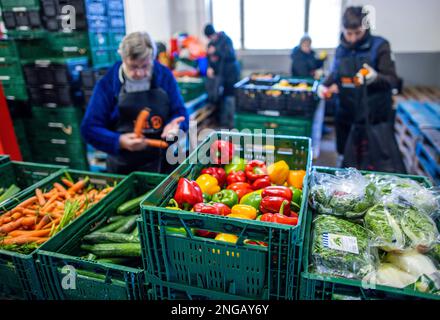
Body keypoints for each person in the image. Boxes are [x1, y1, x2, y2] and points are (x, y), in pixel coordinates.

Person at [81, 32, 189, 174]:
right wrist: (118, 141)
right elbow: (89, 128)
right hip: (124, 167)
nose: (139, 73)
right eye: (132, 67)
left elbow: (181, 113)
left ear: (152, 58)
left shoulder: (164, 76)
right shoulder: (108, 84)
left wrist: (176, 125)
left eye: (145, 66)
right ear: (123, 58)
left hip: (163, 163)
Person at [318, 6, 400, 166]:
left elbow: (392, 80)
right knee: (346, 157)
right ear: (343, 29)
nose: (353, 39)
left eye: (358, 33)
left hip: (373, 117)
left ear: (366, 28)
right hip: (346, 114)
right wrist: (323, 85)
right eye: (349, 34)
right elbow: (335, 73)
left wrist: (375, 77)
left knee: (370, 161)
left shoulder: (380, 46)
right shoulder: (341, 49)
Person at [203, 24, 240, 128]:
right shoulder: (211, 44)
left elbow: (230, 55)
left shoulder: (226, 40)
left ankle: (232, 124)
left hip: (230, 74)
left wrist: (216, 51)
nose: (210, 39)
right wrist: (209, 67)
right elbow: (209, 58)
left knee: (230, 98)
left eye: (211, 36)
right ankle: (223, 124)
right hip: (219, 77)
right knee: (221, 98)